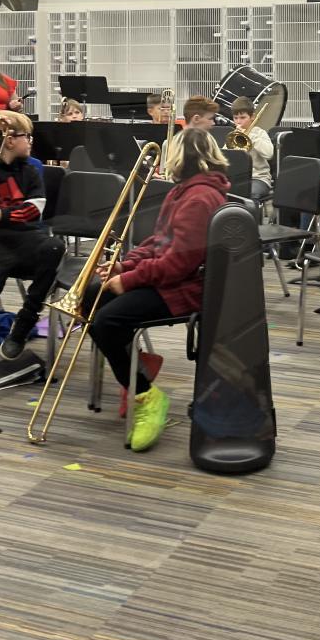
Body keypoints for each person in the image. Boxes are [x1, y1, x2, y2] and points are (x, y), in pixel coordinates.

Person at [88, 128, 230, 452]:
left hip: (186, 289)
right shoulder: (182, 191)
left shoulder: (199, 198)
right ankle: (136, 369)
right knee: (91, 299)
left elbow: (179, 263)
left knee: (107, 322)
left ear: (182, 157)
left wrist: (130, 280)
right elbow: (158, 241)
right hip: (171, 279)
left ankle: (146, 396)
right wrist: (125, 265)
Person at [0, 113, 66, 359]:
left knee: (54, 247)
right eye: (27, 136)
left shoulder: (30, 170)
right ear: (10, 140)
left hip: (25, 238)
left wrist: (0, 214)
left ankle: (24, 322)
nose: (31, 141)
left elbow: (35, 209)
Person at [229, 95, 274, 202]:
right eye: (235, 118)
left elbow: (269, 154)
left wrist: (251, 137)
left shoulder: (259, 133)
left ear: (252, 117)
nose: (238, 122)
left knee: (250, 194)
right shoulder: (234, 135)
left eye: (242, 117)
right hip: (238, 178)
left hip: (259, 178)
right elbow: (225, 156)